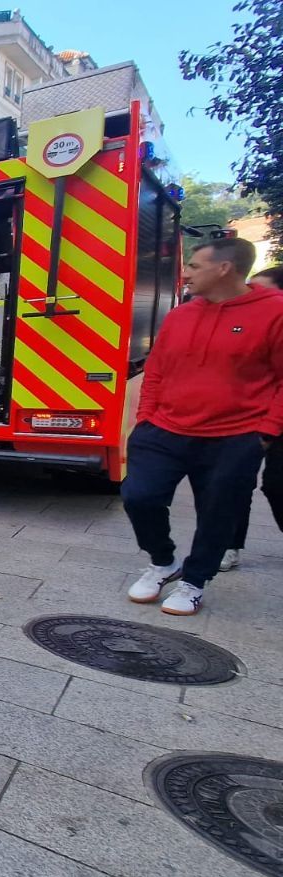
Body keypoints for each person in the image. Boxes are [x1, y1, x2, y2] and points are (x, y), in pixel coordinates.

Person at [124, 238, 283, 615]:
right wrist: (145, 418)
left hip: (234, 436)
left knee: (218, 512)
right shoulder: (182, 314)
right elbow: (157, 368)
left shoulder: (275, 312)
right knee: (139, 496)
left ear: (224, 269)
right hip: (163, 429)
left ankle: (194, 582)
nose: (186, 272)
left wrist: (265, 434)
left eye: (195, 266)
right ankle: (163, 562)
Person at [226, 265, 283, 571]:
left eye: (259, 290)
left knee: (276, 485)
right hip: (247, 418)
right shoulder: (243, 324)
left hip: (275, 422)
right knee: (236, 483)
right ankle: (230, 544)